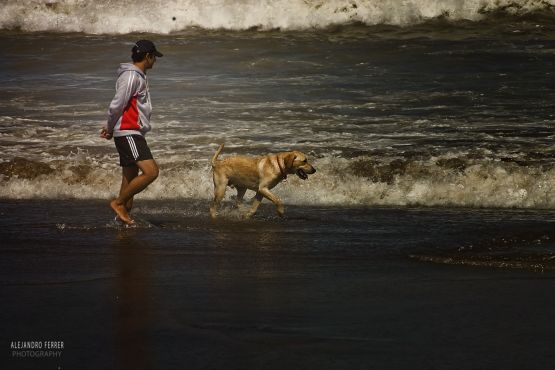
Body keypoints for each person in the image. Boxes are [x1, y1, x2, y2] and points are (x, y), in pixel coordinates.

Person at [100, 40, 163, 225]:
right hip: (128, 132)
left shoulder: (138, 76)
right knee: (151, 172)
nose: (155, 61)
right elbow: (116, 105)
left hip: (131, 132)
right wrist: (110, 128)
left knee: (129, 178)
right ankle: (118, 204)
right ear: (147, 56)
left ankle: (123, 217)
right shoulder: (131, 76)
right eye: (154, 57)